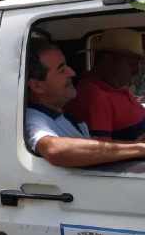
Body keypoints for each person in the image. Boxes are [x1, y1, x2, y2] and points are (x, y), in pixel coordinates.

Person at [25, 37, 145, 167]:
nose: (72, 72)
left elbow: (94, 148)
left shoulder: (63, 117)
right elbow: (54, 149)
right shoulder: (33, 118)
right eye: (61, 70)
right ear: (37, 86)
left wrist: (136, 145)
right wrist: (139, 149)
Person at [66, 28, 145, 141]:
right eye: (132, 64)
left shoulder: (113, 86)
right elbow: (103, 148)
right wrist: (139, 146)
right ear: (108, 60)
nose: (136, 71)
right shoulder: (94, 95)